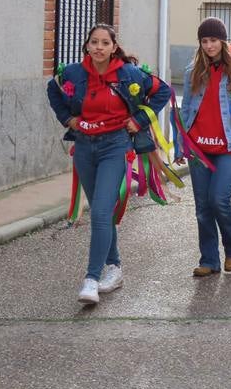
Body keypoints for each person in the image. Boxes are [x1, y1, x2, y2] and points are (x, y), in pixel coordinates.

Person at [47, 24, 171, 305]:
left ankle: (91, 279)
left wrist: (138, 121)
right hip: (84, 148)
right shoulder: (74, 74)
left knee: (102, 211)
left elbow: (161, 91)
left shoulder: (128, 74)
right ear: (87, 46)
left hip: (115, 147)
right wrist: (68, 119)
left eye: (105, 43)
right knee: (101, 214)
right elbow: (52, 89)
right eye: (94, 42)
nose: (99, 47)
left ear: (114, 47)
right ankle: (114, 268)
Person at [181, 17, 231, 277]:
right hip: (199, 148)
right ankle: (209, 259)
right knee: (202, 207)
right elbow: (186, 109)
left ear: (223, 41)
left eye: (214, 40)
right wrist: (184, 143)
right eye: (204, 41)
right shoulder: (193, 70)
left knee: (219, 199)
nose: (209, 46)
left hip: (230, 146)